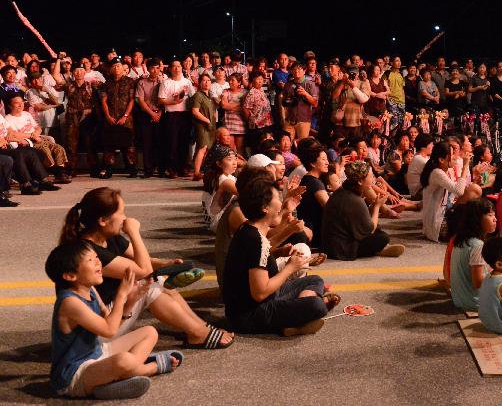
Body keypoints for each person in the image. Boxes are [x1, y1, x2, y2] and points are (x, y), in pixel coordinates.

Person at [60, 187, 234, 349]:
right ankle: (197, 332)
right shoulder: (89, 252)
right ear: (103, 220)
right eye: (120, 213)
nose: (125, 218)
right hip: (96, 331)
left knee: (157, 280)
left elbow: (145, 260)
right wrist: (134, 232)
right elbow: (143, 270)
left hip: (111, 315)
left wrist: (166, 264)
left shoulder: (107, 237)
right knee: (149, 284)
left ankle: (199, 327)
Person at [45, 241, 178, 400]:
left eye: (96, 257)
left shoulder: (90, 290)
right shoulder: (70, 302)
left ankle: (113, 380)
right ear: (70, 276)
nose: (98, 261)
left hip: (97, 352)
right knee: (124, 360)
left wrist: (131, 300)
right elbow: (110, 330)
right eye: (90, 260)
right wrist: (121, 296)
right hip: (74, 374)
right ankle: (150, 367)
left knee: (150, 332)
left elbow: (111, 324)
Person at [222, 169, 335, 336]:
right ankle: (296, 318)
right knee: (316, 307)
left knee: (315, 280)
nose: (280, 203)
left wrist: (281, 251)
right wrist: (291, 267)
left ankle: (296, 314)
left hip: (259, 303)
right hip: (248, 316)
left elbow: (261, 253)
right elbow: (259, 293)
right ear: (265, 208)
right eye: (277, 199)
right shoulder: (254, 240)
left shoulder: (248, 230)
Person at [322, 160, 405, 260]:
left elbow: (358, 218)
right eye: (370, 176)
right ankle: (378, 250)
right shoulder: (354, 199)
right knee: (383, 237)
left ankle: (378, 249)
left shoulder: (343, 191)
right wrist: (377, 207)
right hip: (342, 248)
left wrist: (373, 206)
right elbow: (370, 229)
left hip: (331, 243)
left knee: (378, 231)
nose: (372, 179)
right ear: (360, 181)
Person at [417, 141, 479, 242]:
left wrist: (475, 177)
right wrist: (465, 166)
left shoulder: (446, 170)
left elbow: (459, 189)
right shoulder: (437, 173)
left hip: (445, 212)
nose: (455, 157)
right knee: (474, 196)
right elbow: (459, 191)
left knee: (474, 191)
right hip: (438, 225)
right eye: (451, 154)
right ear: (441, 159)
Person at [5, 95, 71, 183]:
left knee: (58, 148)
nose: (21, 105)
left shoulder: (26, 114)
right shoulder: (8, 118)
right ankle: (55, 173)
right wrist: (32, 136)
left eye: (22, 102)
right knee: (45, 150)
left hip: (38, 138)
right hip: (28, 142)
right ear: (10, 106)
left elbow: (38, 127)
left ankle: (60, 173)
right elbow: (14, 134)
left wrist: (36, 134)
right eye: (17, 103)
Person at [448, 199, 497, 311]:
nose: (495, 219)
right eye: (490, 215)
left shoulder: (461, 240)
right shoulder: (478, 245)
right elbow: (478, 282)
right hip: (474, 302)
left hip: (459, 299)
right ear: (477, 220)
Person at [99, 59, 137, 178]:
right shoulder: (106, 83)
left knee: (129, 144)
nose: (116, 68)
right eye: (114, 66)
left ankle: (132, 170)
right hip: (110, 118)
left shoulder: (130, 82)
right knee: (109, 145)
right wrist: (108, 116)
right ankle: (109, 170)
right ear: (111, 68)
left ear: (123, 68)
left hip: (126, 118)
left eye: (119, 66)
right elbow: (103, 101)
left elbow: (132, 100)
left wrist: (125, 116)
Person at [158, 60, 194, 178]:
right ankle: (171, 168)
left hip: (185, 115)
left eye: (178, 66)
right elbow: (161, 100)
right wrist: (174, 102)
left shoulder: (187, 82)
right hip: (171, 115)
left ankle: (182, 167)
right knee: (171, 142)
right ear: (170, 69)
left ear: (181, 68)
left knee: (184, 142)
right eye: (173, 66)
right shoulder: (165, 82)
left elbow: (193, 98)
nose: (176, 68)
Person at [296, 140, 330, 248]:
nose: (327, 162)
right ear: (312, 163)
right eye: (323, 159)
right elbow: (330, 207)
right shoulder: (314, 182)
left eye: (327, 159)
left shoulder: (308, 179)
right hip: (316, 232)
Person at [242, 70, 274, 153]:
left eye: (261, 79)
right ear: (252, 80)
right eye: (257, 79)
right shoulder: (251, 93)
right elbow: (246, 108)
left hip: (266, 123)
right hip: (257, 125)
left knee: (266, 144)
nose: (260, 81)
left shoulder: (261, 91)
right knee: (258, 145)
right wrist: (251, 121)